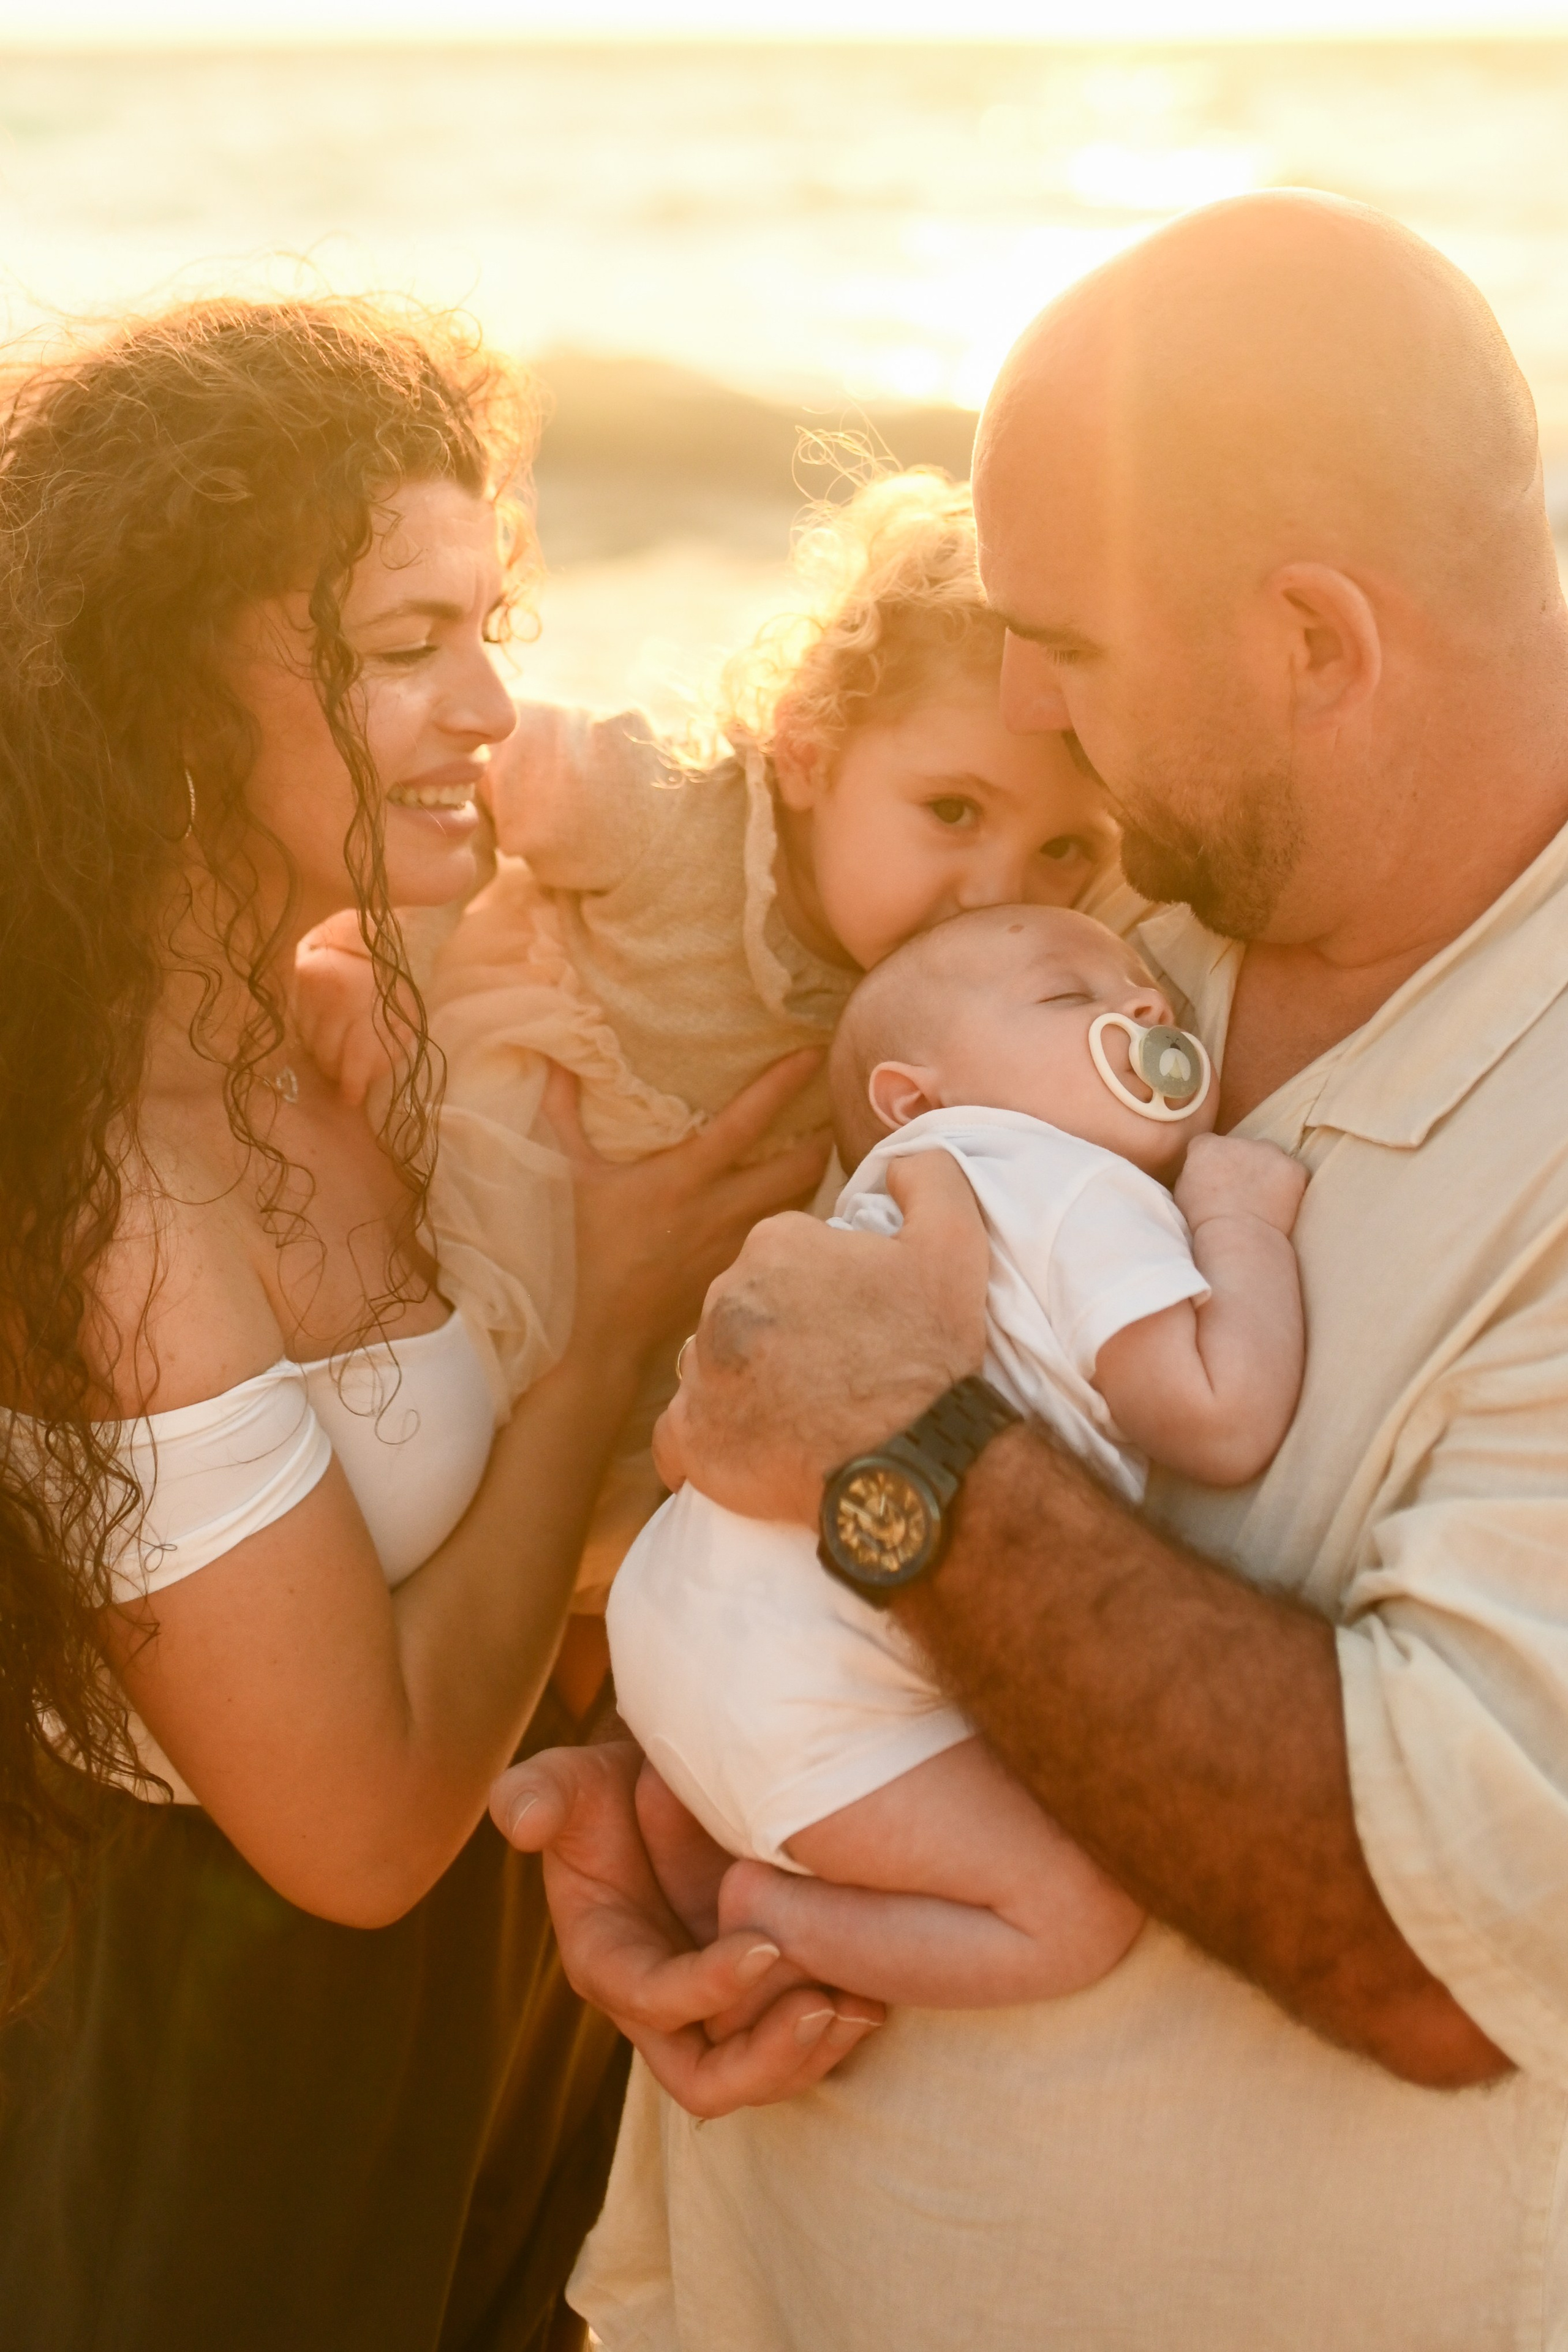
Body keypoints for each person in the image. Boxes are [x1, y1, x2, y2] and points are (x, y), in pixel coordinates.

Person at [496, 190, 1568, 2349]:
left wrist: (906, 1458)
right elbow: (828, 1533)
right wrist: (700, 1804)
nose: (1011, 700)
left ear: (1315, 643)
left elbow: (1434, 1929)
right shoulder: (1117, 924)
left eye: (1062, 642)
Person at [0, 297, 830, 2352]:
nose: (486, 705)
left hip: (513, 2035)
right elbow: (361, 1832)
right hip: (249, 2119)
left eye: (494, 626)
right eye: (399, 649)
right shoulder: (114, 1193)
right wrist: (612, 1321)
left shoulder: (352, 1017)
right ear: (155, 703)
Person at [294, 470, 1116, 1615]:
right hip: (495, 1216)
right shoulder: (670, 805)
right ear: (809, 750)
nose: (999, 889)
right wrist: (362, 952)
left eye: (1067, 851)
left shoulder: (993, 991)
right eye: (953, 811)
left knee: (657, 1532)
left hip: (667, 1357)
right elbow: (453, 789)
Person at [610, 903, 1304, 2016]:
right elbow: (1219, 1418)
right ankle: (776, 1913)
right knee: (1076, 1912)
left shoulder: (876, 1204)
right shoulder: (1071, 1184)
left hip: (671, 1614)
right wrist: (1241, 1225)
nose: (1146, 1008)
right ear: (916, 1098)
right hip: (814, 1707)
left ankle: (695, 1806)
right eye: (1069, 997)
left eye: (1151, 1000)